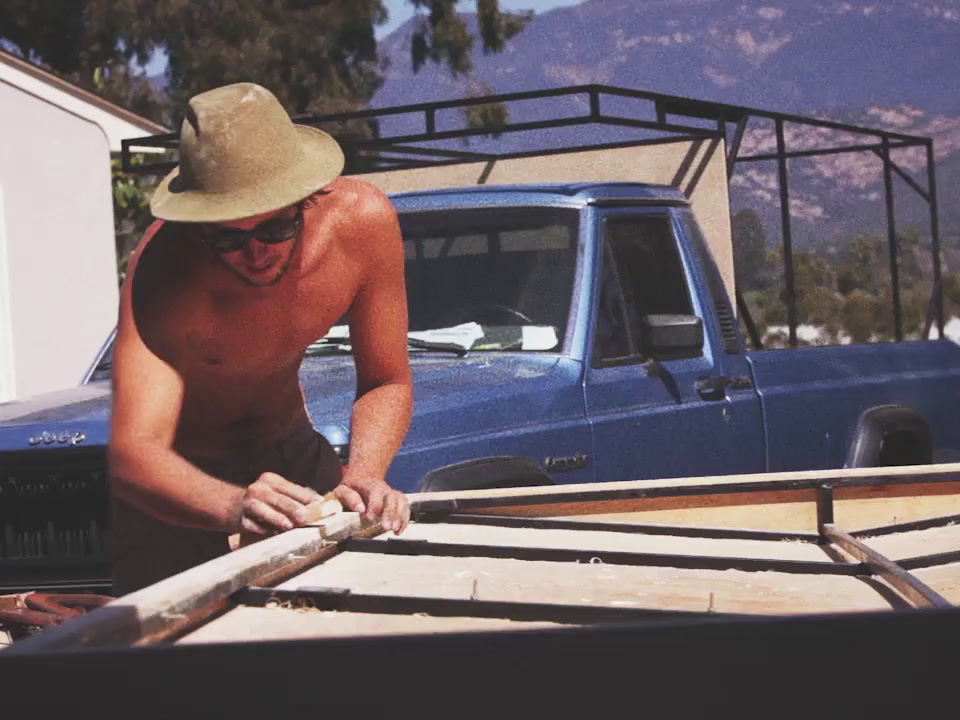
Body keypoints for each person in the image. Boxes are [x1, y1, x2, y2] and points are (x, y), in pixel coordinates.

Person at [107, 82, 413, 595]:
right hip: (185, 487)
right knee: (183, 666)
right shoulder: (166, 271)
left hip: (292, 454)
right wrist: (231, 506)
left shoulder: (364, 225)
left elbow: (387, 379)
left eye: (274, 228)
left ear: (306, 199)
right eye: (228, 236)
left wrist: (365, 473)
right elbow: (134, 453)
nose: (255, 253)